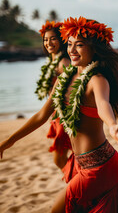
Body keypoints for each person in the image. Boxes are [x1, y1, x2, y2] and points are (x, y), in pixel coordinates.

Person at [0, 16, 118, 213]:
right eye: (69, 44)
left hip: (100, 166)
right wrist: (10, 140)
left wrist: (113, 126)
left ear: (94, 49)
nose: (72, 50)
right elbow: (41, 115)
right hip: (80, 164)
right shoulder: (62, 81)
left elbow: (103, 105)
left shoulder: (97, 79)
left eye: (80, 45)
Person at [35, 20, 72, 169]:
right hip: (57, 113)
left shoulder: (64, 61)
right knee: (63, 157)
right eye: (45, 39)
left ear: (61, 40)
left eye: (53, 38)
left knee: (59, 157)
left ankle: (76, 184)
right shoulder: (52, 60)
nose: (48, 43)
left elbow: (73, 89)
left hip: (66, 114)